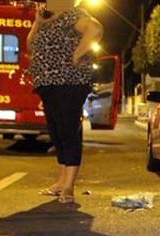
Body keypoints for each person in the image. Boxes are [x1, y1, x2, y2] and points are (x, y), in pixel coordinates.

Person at [27, 0, 102, 204]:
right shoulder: (45, 18)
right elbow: (30, 45)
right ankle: (61, 181)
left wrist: (77, 55)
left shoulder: (71, 14)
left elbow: (95, 29)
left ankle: (69, 186)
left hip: (68, 83)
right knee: (56, 132)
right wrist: (37, 23)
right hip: (48, 83)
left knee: (67, 131)